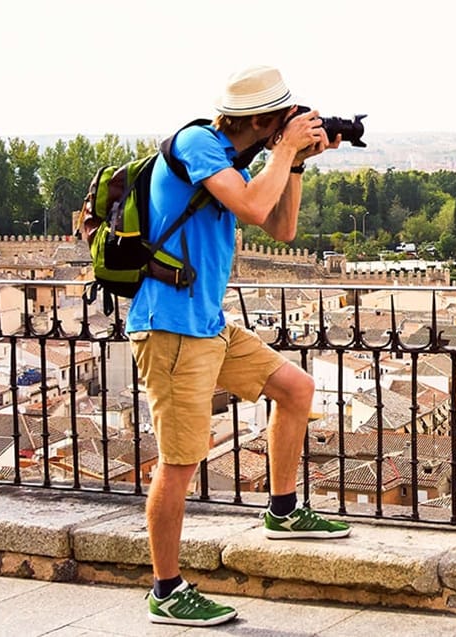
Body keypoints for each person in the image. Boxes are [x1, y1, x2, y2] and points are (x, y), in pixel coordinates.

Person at [128, 65, 349, 627]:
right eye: (288, 118)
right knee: (180, 462)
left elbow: (282, 229)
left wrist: (294, 162)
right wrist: (284, 152)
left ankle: (282, 510)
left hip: (207, 323)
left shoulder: (239, 157)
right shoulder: (197, 143)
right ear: (265, 119)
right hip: (171, 326)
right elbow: (250, 207)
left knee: (296, 388)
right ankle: (167, 589)